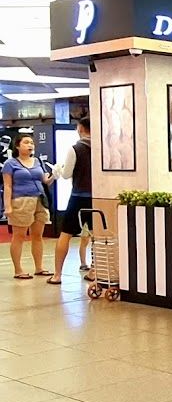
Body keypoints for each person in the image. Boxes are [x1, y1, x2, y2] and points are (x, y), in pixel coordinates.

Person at [2, 133, 56, 279]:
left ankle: (39, 267)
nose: (30, 145)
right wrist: (8, 206)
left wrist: (55, 174)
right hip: (21, 201)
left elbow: (46, 181)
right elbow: (7, 186)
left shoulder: (38, 161)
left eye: (32, 142)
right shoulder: (10, 164)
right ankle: (18, 270)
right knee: (19, 236)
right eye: (26, 142)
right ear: (18, 146)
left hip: (39, 200)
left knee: (37, 235)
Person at [49, 117, 93, 285]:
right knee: (97, 236)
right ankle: (95, 272)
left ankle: (58, 275)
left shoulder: (75, 148)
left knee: (65, 234)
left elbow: (67, 174)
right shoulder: (103, 148)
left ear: (80, 128)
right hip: (97, 198)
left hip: (78, 197)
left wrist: (58, 170)